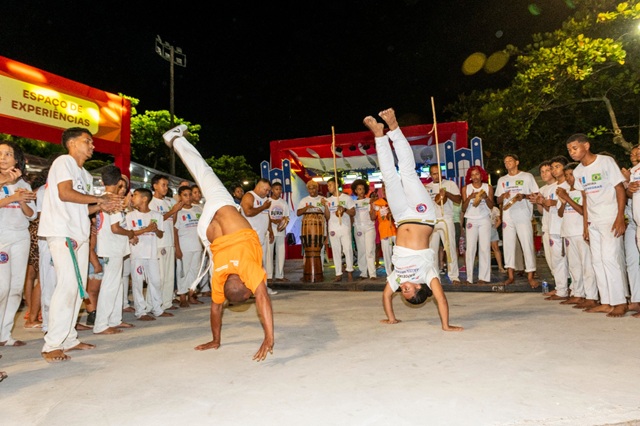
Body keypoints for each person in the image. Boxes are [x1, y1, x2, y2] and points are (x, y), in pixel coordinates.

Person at [163, 124, 274, 361]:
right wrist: (216, 339)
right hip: (207, 234)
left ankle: (175, 139)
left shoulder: (248, 269)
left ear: (246, 286)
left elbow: (262, 297)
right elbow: (216, 308)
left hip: (222, 210)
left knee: (203, 171)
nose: (254, 291)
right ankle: (175, 140)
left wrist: (269, 337)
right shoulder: (220, 278)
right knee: (215, 259)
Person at [363, 108, 462, 331]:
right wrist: (446, 325)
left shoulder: (398, 278)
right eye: (407, 292)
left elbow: (386, 296)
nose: (402, 290)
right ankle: (394, 128)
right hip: (422, 216)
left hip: (400, 218)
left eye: (403, 293)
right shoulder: (428, 276)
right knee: (407, 173)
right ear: (418, 287)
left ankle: (379, 135)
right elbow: (441, 299)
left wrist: (391, 318)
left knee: (389, 177)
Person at [38, 127, 122, 363]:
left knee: (77, 287)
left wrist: (101, 206)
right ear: (72, 143)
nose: (92, 146)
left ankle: (69, 338)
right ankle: (52, 344)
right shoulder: (63, 162)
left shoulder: (84, 174)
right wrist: (100, 198)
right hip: (63, 231)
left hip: (79, 233)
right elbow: (64, 193)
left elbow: (82, 208)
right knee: (67, 286)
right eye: (87, 141)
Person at [567, 133, 628, 317]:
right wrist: (586, 225)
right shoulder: (578, 171)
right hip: (593, 221)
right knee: (597, 261)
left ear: (586, 145)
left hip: (609, 218)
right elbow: (585, 198)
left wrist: (620, 217)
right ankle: (607, 302)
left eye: (575, 148)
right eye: (569, 150)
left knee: (610, 259)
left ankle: (620, 302)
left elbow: (619, 188)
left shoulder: (605, 162)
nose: (572, 152)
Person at [0, 141, 37, 347]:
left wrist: (22, 201)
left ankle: (5, 335)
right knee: (2, 288)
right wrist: (12, 196)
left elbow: (32, 215)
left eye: (8, 154)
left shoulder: (24, 184)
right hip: (2, 237)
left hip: (21, 237)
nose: (3, 157)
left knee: (15, 288)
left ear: (16, 160)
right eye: (0, 153)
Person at [93, 165, 135, 334]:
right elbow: (115, 228)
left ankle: (115, 319)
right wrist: (130, 233)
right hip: (112, 247)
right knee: (110, 285)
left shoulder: (104, 198)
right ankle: (101, 324)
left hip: (114, 247)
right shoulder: (112, 199)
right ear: (118, 182)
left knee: (116, 284)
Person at [125, 188, 173, 321]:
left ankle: (157, 309)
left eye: (135, 195)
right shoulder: (130, 216)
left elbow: (160, 234)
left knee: (156, 282)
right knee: (138, 283)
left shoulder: (156, 215)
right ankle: (141, 312)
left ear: (144, 199)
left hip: (152, 254)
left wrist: (155, 230)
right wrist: (146, 229)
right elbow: (129, 233)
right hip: (137, 254)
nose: (132, 198)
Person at [495, 154, 540, 288]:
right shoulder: (502, 179)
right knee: (508, 245)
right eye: (505, 162)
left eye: (510, 160)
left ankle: (530, 275)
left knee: (527, 244)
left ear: (517, 162)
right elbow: (498, 200)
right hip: (508, 216)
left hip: (523, 215)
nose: (507, 163)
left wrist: (524, 196)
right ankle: (510, 276)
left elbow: (536, 195)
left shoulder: (527, 177)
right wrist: (503, 196)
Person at [556, 162, 597, 308]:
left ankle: (591, 296)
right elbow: (560, 213)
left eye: (571, 175)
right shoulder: (565, 191)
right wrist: (563, 201)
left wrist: (567, 198)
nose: (568, 178)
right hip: (568, 232)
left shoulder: (582, 191)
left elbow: (582, 210)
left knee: (587, 265)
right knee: (574, 266)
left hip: (580, 232)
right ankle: (578, 294)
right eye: (566, 175)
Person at [149, 175, 182, 312]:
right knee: (159, 276)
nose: (166, 188)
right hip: (158, 243)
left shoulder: (168, 202)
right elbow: (155, 222)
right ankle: (153, 304)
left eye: (167, 185)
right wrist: (172, 211)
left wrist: (175, 211)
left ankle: (167, 302)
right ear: (155, 186)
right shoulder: (151, 202)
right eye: (163, 185)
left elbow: (172, 222)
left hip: (169, 241)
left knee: (169, 275)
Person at [426, 163, 462, 285]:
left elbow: (458, 200)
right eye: (434, 174)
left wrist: (447, 194)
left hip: (446, 218)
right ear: (430, 175)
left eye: (438, 173)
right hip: (432, 220)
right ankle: (434, 277)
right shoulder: (427, 187)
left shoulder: (450, 184)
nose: (436, 176)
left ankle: (454, 276)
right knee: (432, 250)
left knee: (450, 247)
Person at [241, 178, 277, 295]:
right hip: (250, 238)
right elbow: (248, 212)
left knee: (262, 264)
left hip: (262, 237)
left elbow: (267, 216)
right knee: (251, 265)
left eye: (268, 190)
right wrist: (263, 207)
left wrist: (270, 230)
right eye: (266, 190)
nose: (267, 192)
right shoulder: (249, 196)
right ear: (258, 187)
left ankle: (263, 288)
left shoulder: (265, 199)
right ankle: (250, 289)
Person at [541, 156, 570, 301]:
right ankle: (561, 289)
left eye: (557, 167)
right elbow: (549, 209)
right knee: (557, 260)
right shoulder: (551, 188)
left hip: (567, 227)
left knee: (571, 261)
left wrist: (553, 203)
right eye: (552, 168)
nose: (553, 170)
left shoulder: (569, 185)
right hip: (553, 227)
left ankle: (574, 290)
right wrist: (543, 202)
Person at [460, 165, 494, 285]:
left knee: (484, 248)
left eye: (477, 174)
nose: (475, 177)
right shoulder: (466, 188)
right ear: (469, 177)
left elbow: (491, 205)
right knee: (470, 248)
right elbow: (463, 208)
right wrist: (470, 197)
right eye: (472, 175)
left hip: (484, 219)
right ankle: (469, 278)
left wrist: (486, 197)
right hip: (471, 219)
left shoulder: (488, 187)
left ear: (481, 175)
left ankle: (483, 277)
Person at [173, 185, 204, 307]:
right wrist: (177, 248)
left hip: (197, 246)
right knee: (183, 272)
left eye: (190, 194)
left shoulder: (198, 209)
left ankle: (191, 295)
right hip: (184, 247)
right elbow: (174, 231)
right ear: (180, 197)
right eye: (185, 195)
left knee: (194, 271)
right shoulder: (178, 211)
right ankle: (182, 297)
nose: (189, 197)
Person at [324, 177, 356, 282]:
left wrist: (344, 209)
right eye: (328, 185)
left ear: (337, 185)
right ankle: (338, 273)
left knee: (347, 249)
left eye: (330, 185)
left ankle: (350, 271)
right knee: (336, 250)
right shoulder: (328, 200)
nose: (328, 187)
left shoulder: (346, 198)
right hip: (333, 228)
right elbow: (327, 217)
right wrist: (325, 207)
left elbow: (353, 212)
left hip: (344, 227)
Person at [296, 180, 328, 266]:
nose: (312, 191)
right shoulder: (304, 200)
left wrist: (325, 206)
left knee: (320, 249)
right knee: (308, 250)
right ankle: (308, 269)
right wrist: (306, 208)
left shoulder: (323, 199)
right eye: (310, 189)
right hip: (308, 230)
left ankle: (320, 270)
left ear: (317, 188)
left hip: (321, 228)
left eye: (313, 188)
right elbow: (298, 213)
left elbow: (327, 215)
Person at [351, 179, 377, 280]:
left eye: (362, 189)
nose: (361, 191)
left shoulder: (369, 201)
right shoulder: (353, 203)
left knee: (370, 250)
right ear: (355, 190)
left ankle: (372, 273)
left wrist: (372, 207)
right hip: (358, 228)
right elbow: (351, 216)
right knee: (361, 250)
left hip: (369, 227)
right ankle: (363, 272)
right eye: (359, 189)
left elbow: (373, 217)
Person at [625, 145, 640, 318]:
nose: (634, 154)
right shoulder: (632, 171)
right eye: (632, 153)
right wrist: (629, 189)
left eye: (638, 152)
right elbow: (629, 195)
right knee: (632, 262)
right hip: (633, 221)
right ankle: (636, 298)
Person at [266, 181, 290, 283]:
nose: (279, 191)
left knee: (281, 253)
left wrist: (283, 223)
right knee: (269, 253)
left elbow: (287, 217)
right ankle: (268, 276)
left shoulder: (283, 202)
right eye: (276, 189)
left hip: (280, 231)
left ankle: (279, 275)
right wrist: (272, 221)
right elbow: (265, 216)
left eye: (280, 189)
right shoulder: (267, 201)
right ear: (272, 190)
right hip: (269, 231)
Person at [371, 183, 396, 277]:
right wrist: (372, 207)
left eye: (387, 187)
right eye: (383, 188)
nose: (385, 189)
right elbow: (373, 217)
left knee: (398, 253)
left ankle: (399, 272)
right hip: (384, 231)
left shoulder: (396, 201)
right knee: (387, 254)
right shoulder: (378, 202)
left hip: (396, 231)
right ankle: (389, 275)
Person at [490, 205, 505, 274]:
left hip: (492, 229)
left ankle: (500, 267)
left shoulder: (495, 209)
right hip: (483, 229)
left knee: (496, 248)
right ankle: (488, 267)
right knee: (486, 249)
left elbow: (499, 221)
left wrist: (494, 228)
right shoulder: (482, 206)